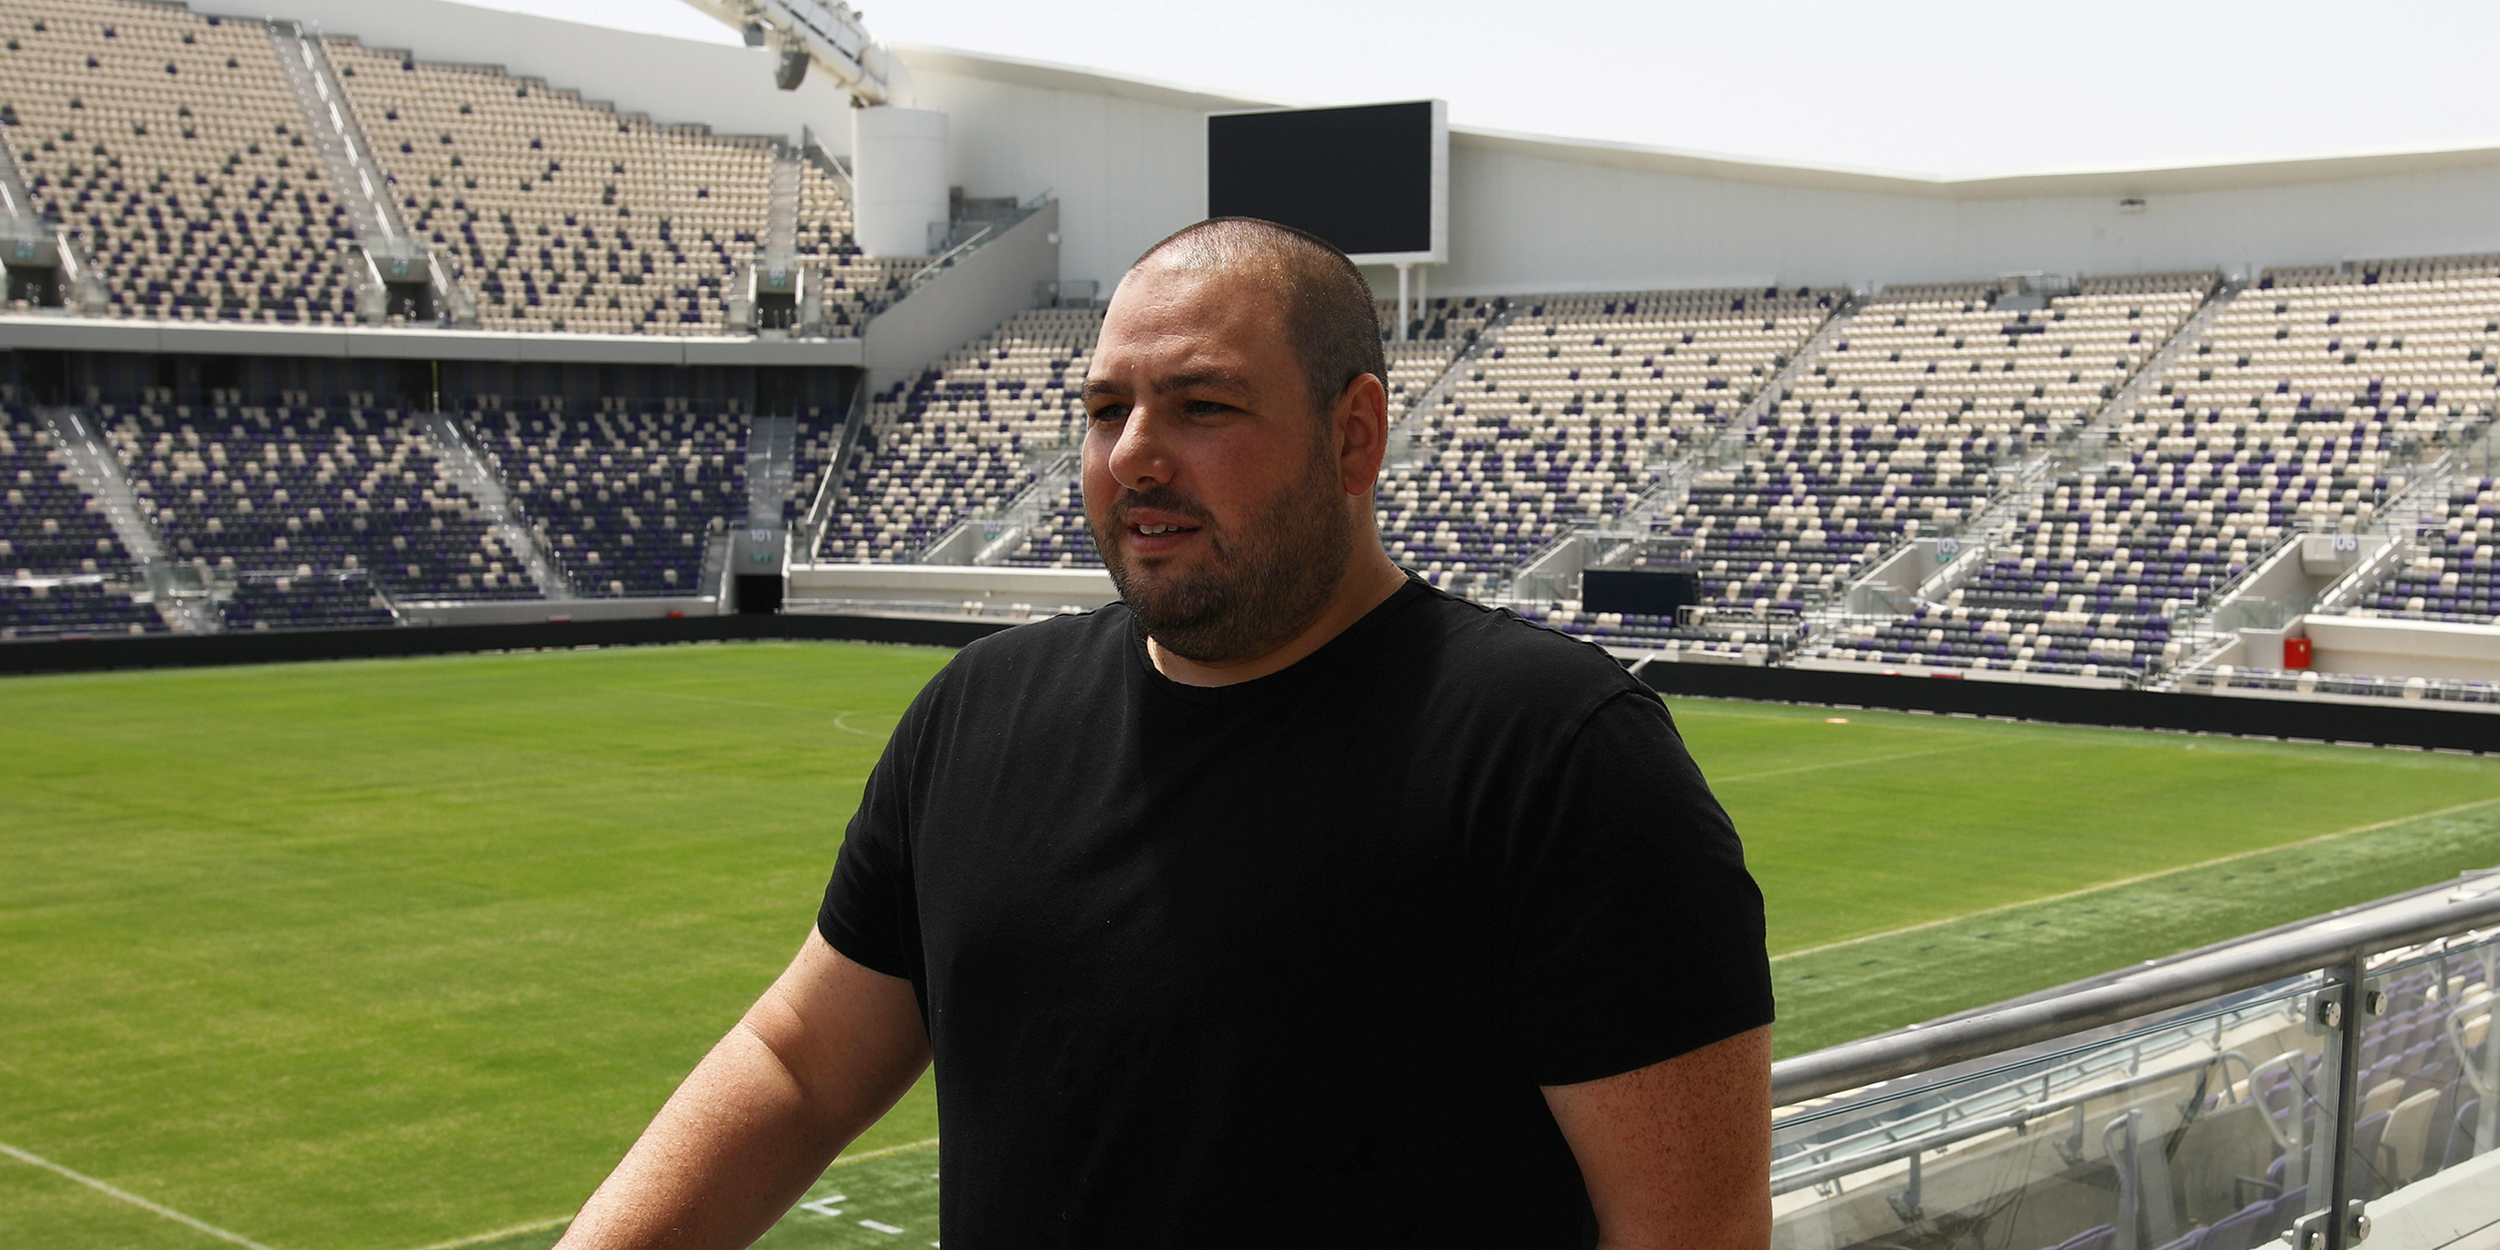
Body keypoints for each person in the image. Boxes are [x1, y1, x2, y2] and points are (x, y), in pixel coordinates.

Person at [555, 218, 1774, 1250]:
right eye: (1105, 408)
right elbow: (799, 1061)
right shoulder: (974, 716)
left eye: (1201, 405)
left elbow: (1692, 1233)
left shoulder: (1557, 757)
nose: (1133, 454)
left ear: (1355, 434)